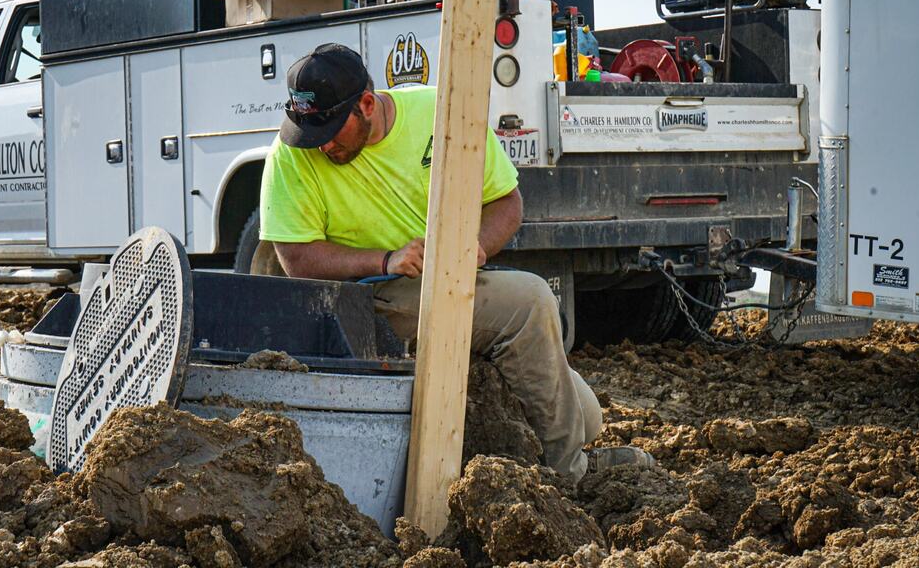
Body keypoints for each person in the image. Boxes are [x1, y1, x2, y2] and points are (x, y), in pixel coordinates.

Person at [259, 43, 651, 482]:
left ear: (367, 104)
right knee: (530, 301)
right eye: (309, 132)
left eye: (330, 129)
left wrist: (475, 249)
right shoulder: (292, 154)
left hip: (442, 281)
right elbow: (296, 258)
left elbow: (506, 201)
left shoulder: (439, 115)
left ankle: (547, 456)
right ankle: (569, 475)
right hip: (364, 296)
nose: (321, 144)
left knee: (589, 418)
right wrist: (386, 259)